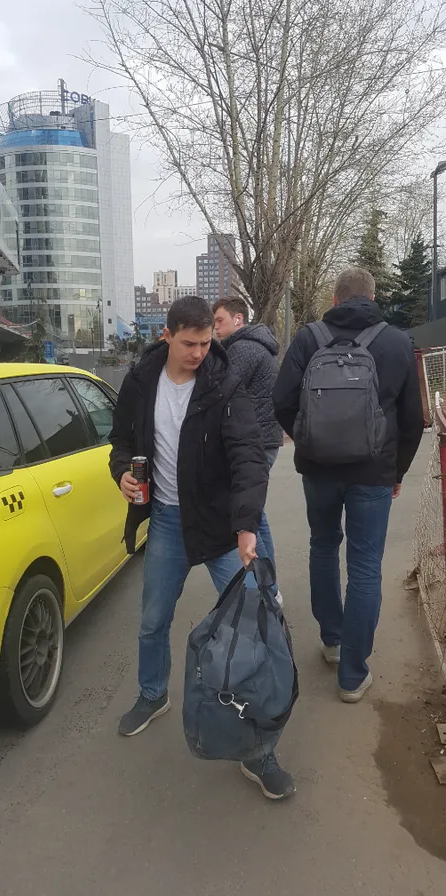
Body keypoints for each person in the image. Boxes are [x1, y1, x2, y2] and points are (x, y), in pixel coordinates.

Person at [110, 295, 295, 799]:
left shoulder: (222, 381)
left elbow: (248, 456)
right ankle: (152, 695)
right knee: (152, 619)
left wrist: (247, 525)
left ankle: (258, 751)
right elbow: (121, 441)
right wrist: (122, 473)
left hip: (218, 525)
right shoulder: (141, 380)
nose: (199, 352)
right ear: (167, 336)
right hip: (167, 520)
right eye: (189, 343)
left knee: (251, 629)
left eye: (206, 342)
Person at [273, 267, 423, 703]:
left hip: (319, 471)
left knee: (322, 546)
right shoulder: (397, 341)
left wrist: (307, 440)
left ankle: (333, 641)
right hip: (373, 473)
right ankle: (353, 676)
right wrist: (397, 470)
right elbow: (413, 419)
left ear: (336, 300)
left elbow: (281, 401)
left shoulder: (308, 338)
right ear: (372, 297)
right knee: (364, 566)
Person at [213, 297, 284, 586]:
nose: (215, 327)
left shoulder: (242, 349)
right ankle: (270, 584)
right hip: (265, 440)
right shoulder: (256, 346)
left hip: (253, 443)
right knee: (255, 514)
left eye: (219, 320)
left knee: (248, 516)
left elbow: (219, 391)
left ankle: (267, 587)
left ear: (238, 319)